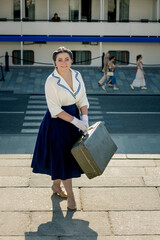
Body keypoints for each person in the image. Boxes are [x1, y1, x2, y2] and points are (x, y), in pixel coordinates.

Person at [31, 46, 89, 210]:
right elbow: (55, 109)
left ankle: (56, 186)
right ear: (55, 63)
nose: (64, 63)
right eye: (60, 60)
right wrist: (77, 122)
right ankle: (71, 197)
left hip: (74, 118)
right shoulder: (51, 81)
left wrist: (84, 118)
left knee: (66, 158)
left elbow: (82, 97)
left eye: (67, 59)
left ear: (72, 60)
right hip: (57, 123)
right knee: (63, 158)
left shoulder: (77, 74)